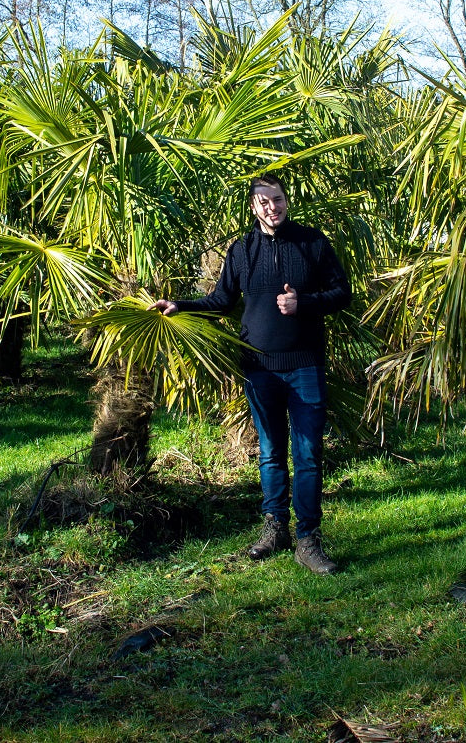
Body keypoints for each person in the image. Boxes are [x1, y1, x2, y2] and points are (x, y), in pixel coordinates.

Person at [151, 174, 352, 573]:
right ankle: (275, 527)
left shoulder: (312, 242)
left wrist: (304, 303)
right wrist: (181, 306)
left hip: (305, 366)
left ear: (286, 200)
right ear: (253, 207)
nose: (271, 208)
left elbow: (342, 293)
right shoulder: (242, 250)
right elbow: (222, 299)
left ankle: (308, 539)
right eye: (263, 202)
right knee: (271, 453)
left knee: (309, 455)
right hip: (259, 369)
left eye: (277, 200)